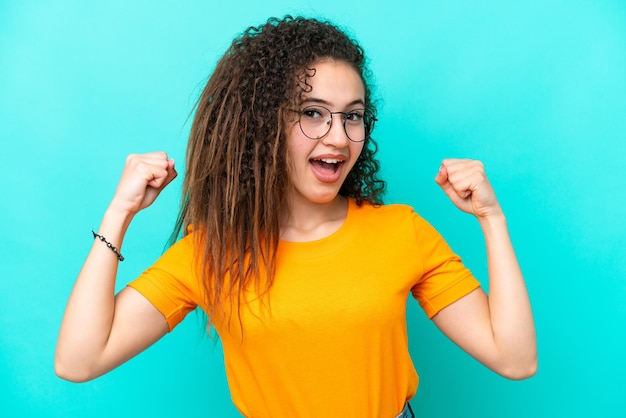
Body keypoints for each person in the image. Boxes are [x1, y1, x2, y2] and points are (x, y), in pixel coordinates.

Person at [55, 16, 537, 418]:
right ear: (264, 124)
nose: (339, 137)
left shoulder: (401, 231)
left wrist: (492, 220)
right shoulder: (211, 253)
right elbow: (79, 360)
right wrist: (119, 213)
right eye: (312, 113)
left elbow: (515, 359)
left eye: (352, 115)